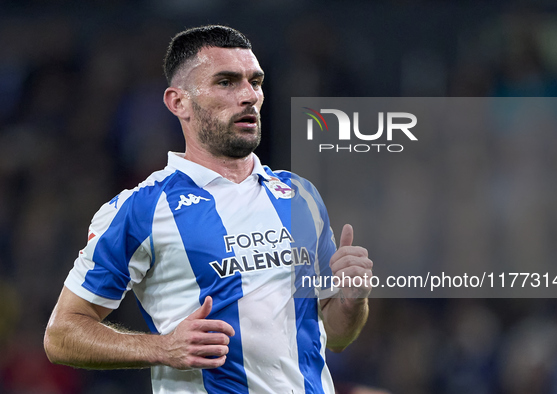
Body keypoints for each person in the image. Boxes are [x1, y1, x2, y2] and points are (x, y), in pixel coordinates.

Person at [43, 25, 372, 394]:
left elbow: (338, 337)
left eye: (255, 82)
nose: (248, 96)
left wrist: (351, 300)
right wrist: (162, 348)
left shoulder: (300, 195)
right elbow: (61, 334)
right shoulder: (142, 208)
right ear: (178, 102)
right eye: (227, 82)